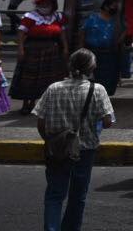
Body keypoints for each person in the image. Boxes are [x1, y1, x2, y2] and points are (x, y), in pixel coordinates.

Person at [35, 47, 116, 231]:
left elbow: (41, 121)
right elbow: (107, 121)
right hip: (85, 149)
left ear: (70, 66)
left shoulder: (53, 88)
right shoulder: (98, 90)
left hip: (57, 148)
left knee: (55, 194)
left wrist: (49, 140)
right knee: (77, 195)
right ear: (92, 68)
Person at [15, 0, 70, 113]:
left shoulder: (57, 17)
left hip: (52, 50)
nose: (45, 5)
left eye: (48, 2)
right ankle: (26, 103)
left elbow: (62, 33)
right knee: (29, 77)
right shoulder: (30, 17)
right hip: (33, 49)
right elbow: (21, 33)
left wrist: (65, 48)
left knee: (47, 79)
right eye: (42, 2)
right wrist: (21, 49)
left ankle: (39, 104)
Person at [79, 0, 122, 95]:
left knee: (107, 78)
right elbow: (82, 33)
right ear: (106, 7)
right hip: (93, 52)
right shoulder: (92, 18)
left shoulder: (116, 21)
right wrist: (81, 50)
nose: (115, 9)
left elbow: (118, 39)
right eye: (113, 6)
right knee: (93, 77)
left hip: (108, 54)